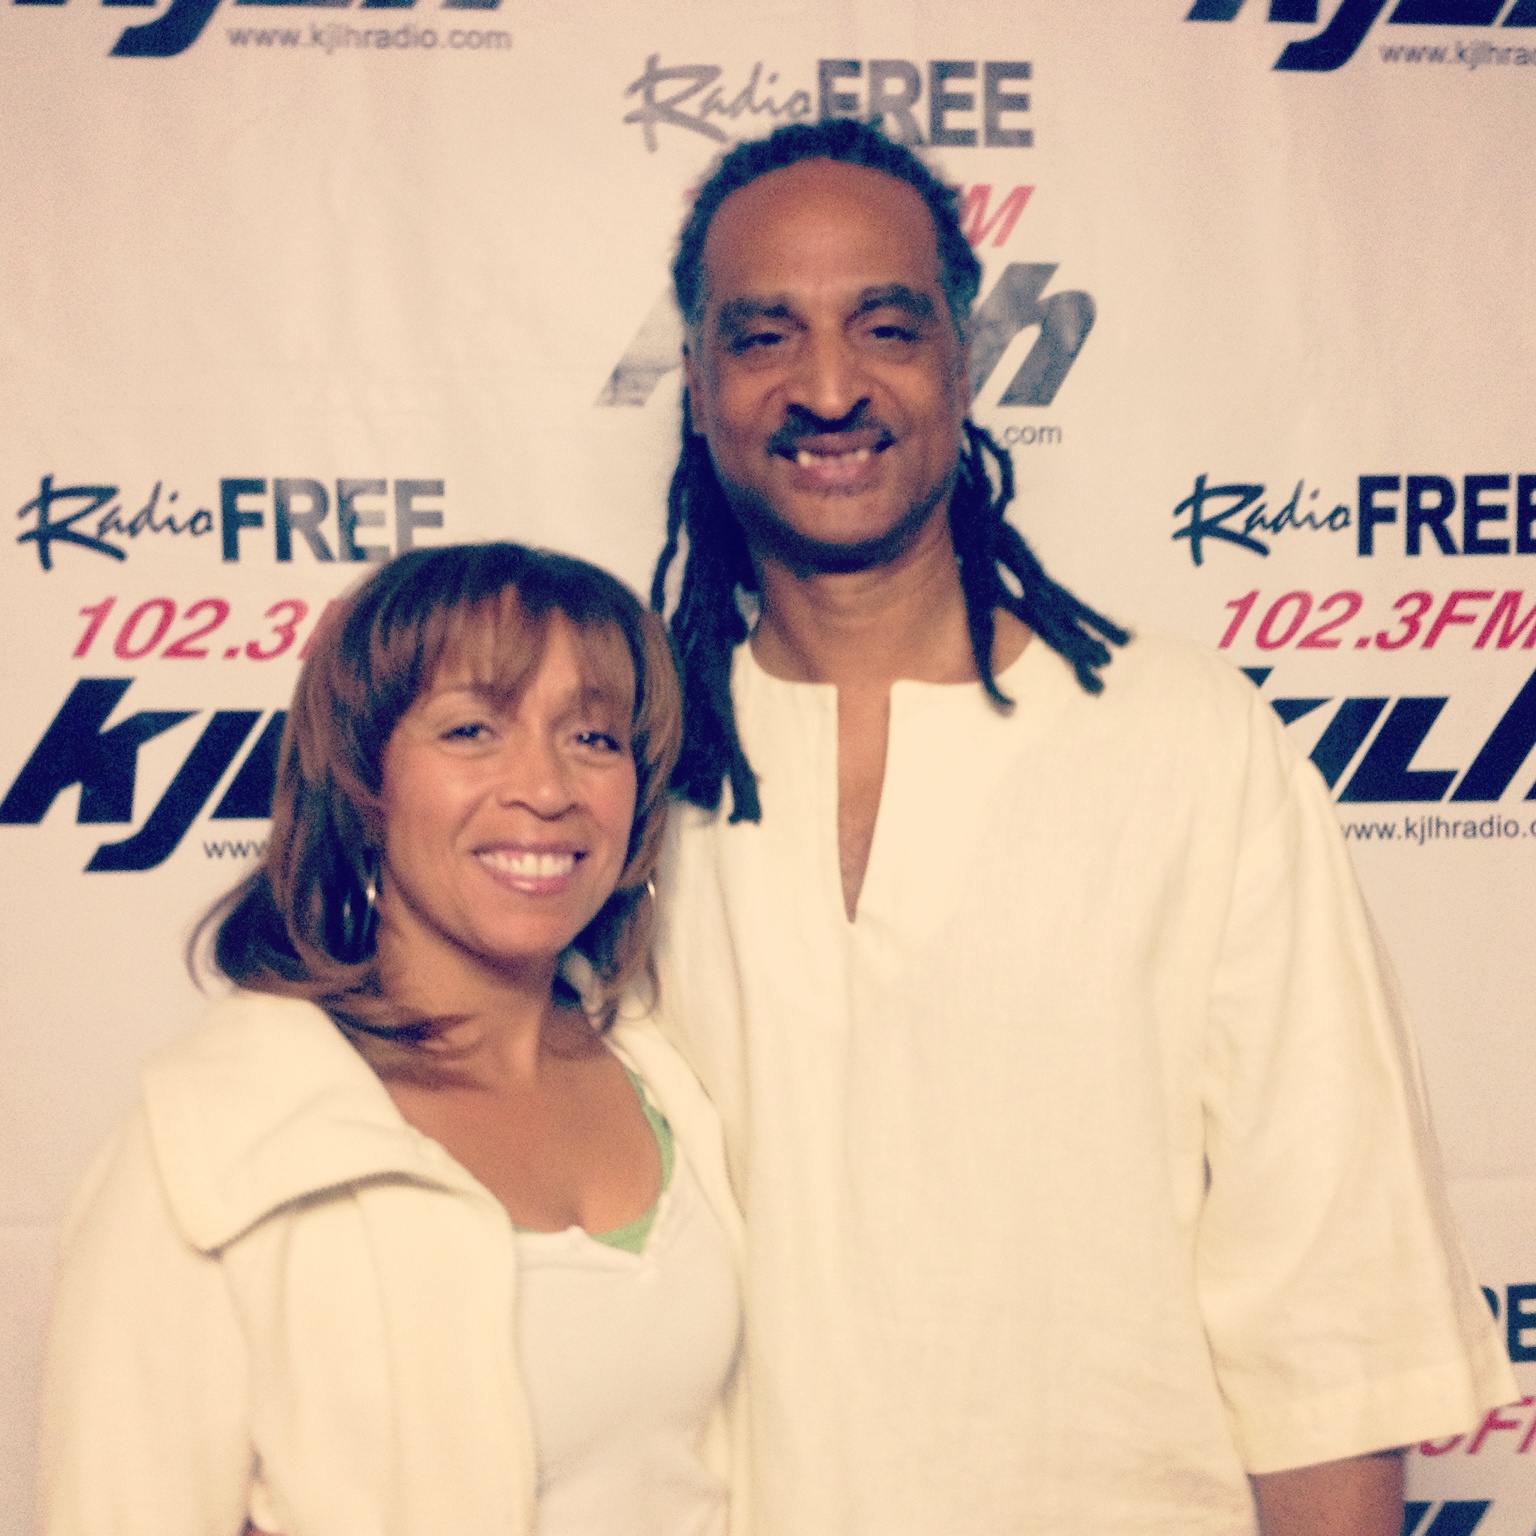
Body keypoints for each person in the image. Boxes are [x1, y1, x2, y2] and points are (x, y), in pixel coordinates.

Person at [649, 118, 1515, 1536]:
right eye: (763, 336)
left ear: (966, 361)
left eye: (885, 327)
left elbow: (1331, 1316)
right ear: (696, 385)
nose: (828, 386)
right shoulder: (619, 776)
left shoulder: (1188, 740)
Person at [40, 543, 747, 1536]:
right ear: (365, 780)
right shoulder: (210, 1147)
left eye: (593, 737)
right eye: (472, 730)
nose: (546, 788)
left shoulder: (671, 1078)